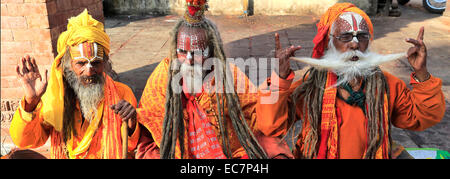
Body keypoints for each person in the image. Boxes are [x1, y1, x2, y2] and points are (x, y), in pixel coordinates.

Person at [256, 2, 445, 159]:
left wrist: (422, 73)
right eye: (345, 36)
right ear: (330, 42)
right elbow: (270, 126)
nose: (354, 44)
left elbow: (423, 118)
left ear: (369, 42)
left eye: (361, 36)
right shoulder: (310, 86)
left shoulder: (387, 84)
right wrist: (280, 79)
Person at [135, 0, 292, 159]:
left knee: (274, 151)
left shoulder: (228, 74)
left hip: (228, 151)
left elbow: (263, 123)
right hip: (178, 153)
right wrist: (131, 125)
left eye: (198, 53)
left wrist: (279, 78)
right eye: (182, 51)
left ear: (212, 51)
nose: (189, 60)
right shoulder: (163, 75)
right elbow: (147, 127)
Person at [9, 9, 140, 159]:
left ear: (104, 64)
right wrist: (31, 101)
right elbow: (26, 141)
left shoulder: (122, 94)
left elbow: (131, 147)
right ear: (68, 65)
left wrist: (131, 122)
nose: (89, 72)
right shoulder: (54, 98)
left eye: (96, 63)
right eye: (81, 63)